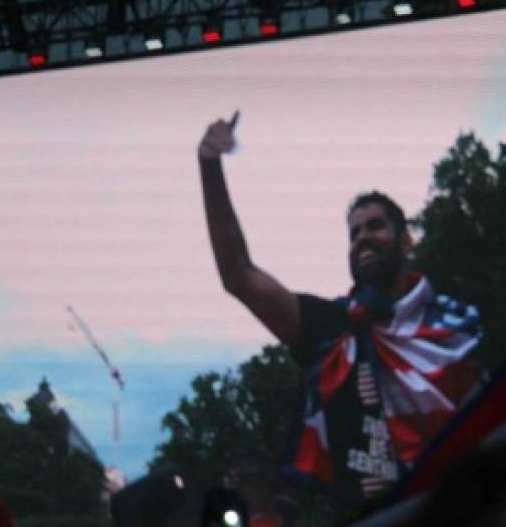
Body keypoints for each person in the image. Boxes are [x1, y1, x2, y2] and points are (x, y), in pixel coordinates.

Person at [198, 111, 484, 513]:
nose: (363, 237)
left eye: (376, 226)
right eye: (354, 232)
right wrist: (209, 166)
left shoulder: (454, 330)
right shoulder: (332, 328)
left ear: (405, 242)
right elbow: (238, 274)